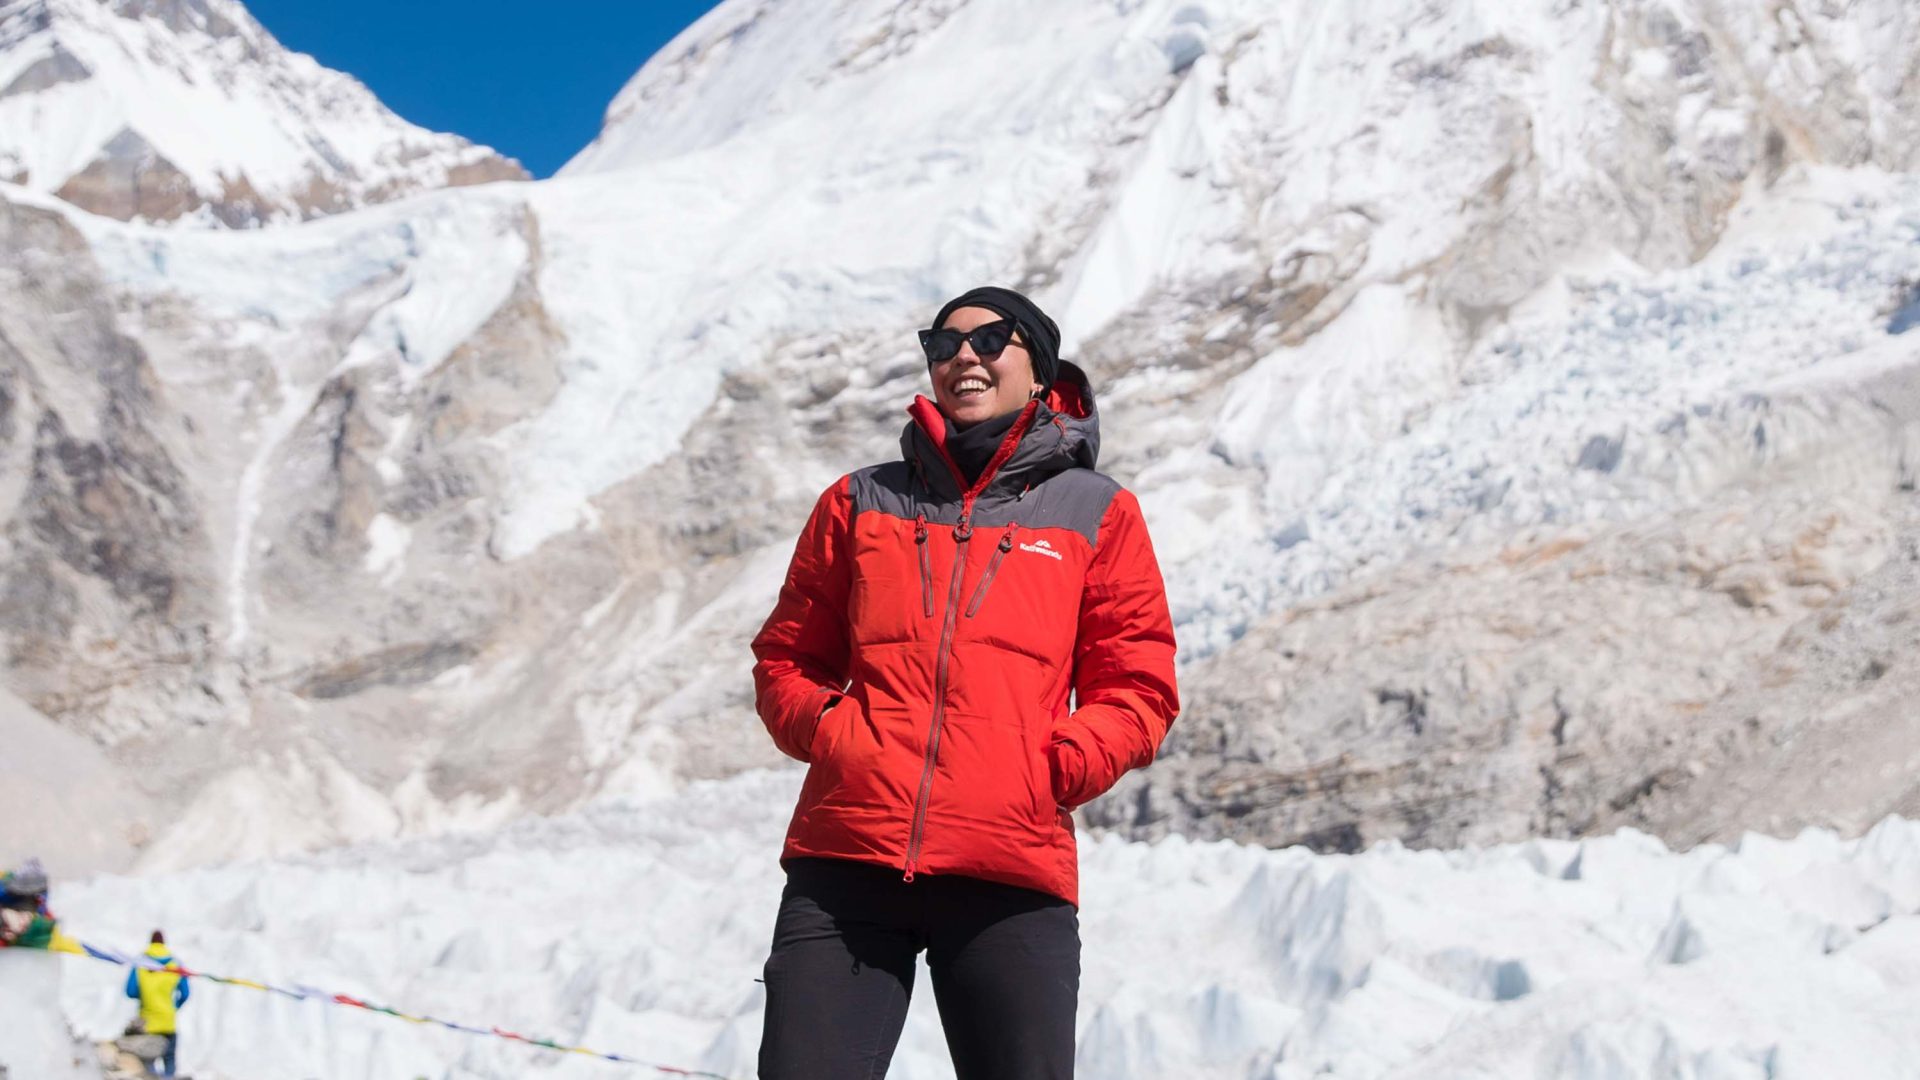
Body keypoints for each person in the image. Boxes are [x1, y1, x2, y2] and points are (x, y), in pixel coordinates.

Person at [750, 285, 1179, 1079]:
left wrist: (1052, 769)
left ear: (1041, 369)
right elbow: (786, 658)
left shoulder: (1097, 512)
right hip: (850, 859)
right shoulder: (858, 502)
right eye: (942, 345)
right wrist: (836, 737)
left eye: (990, 340)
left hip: (1011, 867)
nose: (962, 359)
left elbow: (1139, 684)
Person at [125, 930, 189, 1077]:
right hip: (168, 1022)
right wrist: (174, 1006)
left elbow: (130, 991)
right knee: (169, 1064)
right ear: (163, 943)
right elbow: (185, 993)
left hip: (147, 1024)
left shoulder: (140, 963)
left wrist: (146, 996)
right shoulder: (175, 964)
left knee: (148, 1067)